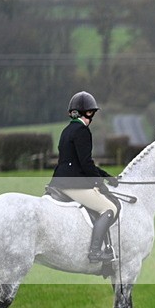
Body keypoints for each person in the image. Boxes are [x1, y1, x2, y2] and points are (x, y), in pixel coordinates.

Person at [50, 91, 118, 263]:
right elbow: (86, 163)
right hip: (72, 184)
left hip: (59, 180)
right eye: (91, 112)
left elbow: (78, 162)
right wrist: (100, 184)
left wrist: (106, 176)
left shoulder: (66, 130)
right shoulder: (82, 131)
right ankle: (95, 252)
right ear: (87, 113)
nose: (92, 116)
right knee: (109, 208)